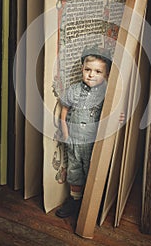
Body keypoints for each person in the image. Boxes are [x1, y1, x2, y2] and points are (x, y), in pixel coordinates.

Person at [55, 45, 112, 218]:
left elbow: (111, 114)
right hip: (74, 141)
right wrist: (66, 135)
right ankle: (75, 200)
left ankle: (92, 203)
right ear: (82, 69)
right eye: (88, 69)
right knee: (75, 172)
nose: (91, 75)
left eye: (98, 71)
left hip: (92, 143)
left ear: (106, 74)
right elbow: (64, 113)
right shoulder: (74, 90)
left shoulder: (106, 94)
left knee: (91, 172)